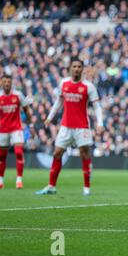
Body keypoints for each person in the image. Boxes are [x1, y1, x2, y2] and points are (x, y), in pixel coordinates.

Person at [36, 58, 104, 196]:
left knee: (84, 155)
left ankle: (86, 188)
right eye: (74, 66)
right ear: (70, 68)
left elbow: (97, 107)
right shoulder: (64, 83)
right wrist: (49, 117)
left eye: (79, 66)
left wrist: (100, 123)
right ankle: (51, 186)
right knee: (57, 153)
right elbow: (58, 102)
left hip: (82, 127)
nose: (77, 69)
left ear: (82, 69)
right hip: (66, 126)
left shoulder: (88, 86)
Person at [0, 74, 35, 189]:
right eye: (5, 82)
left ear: (11, 83)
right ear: (1, 83)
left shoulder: (18, 95)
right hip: (3, 129)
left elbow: (27, 110)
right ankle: (0, 182)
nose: (7, 84)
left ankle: (19, 180)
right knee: (2, 156)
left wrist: (31, 125)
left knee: (18, 152)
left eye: (9, 81)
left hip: (16, 128)